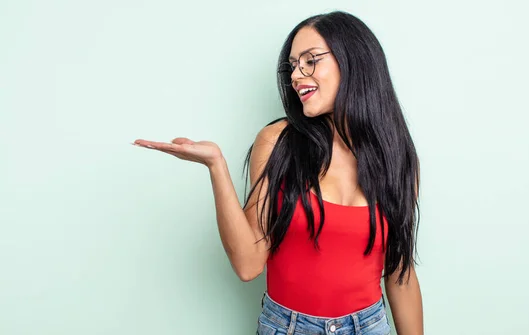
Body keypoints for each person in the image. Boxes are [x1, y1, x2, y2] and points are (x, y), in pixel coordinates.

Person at [133, 11, 423, 335]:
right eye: (293, 66)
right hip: (288, 327)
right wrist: (216, 165)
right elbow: (247, 264)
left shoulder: (398, 159)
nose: (296, 75)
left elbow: (400, 274)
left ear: (353, 60)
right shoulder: (278, 143)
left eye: (310, 61)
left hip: (370, 325)